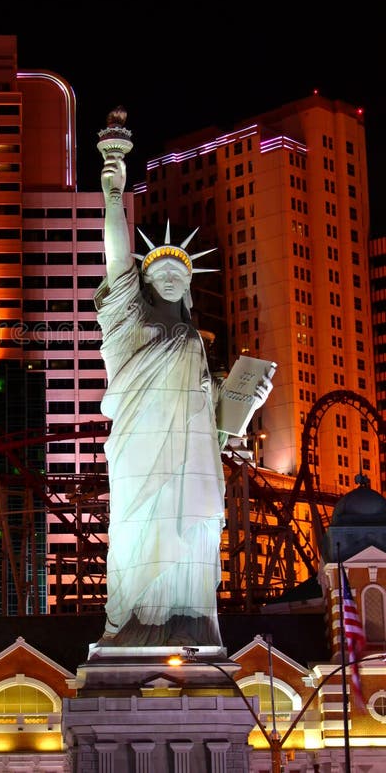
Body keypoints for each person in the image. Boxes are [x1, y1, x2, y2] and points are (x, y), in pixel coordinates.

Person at [94, 121, 273, 648]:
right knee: (135, 537)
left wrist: (242, 408)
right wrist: (113, 190)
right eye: (159, 272)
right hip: (139, 457)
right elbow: (115, 257)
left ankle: (190, 624)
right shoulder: (133, 323)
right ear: (145, 283)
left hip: (192, 464)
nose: (170, 274)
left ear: (190, 286)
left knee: (192, 535)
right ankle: (135, 625)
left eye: (181, 273)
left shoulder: (194, 342)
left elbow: (215, 426)